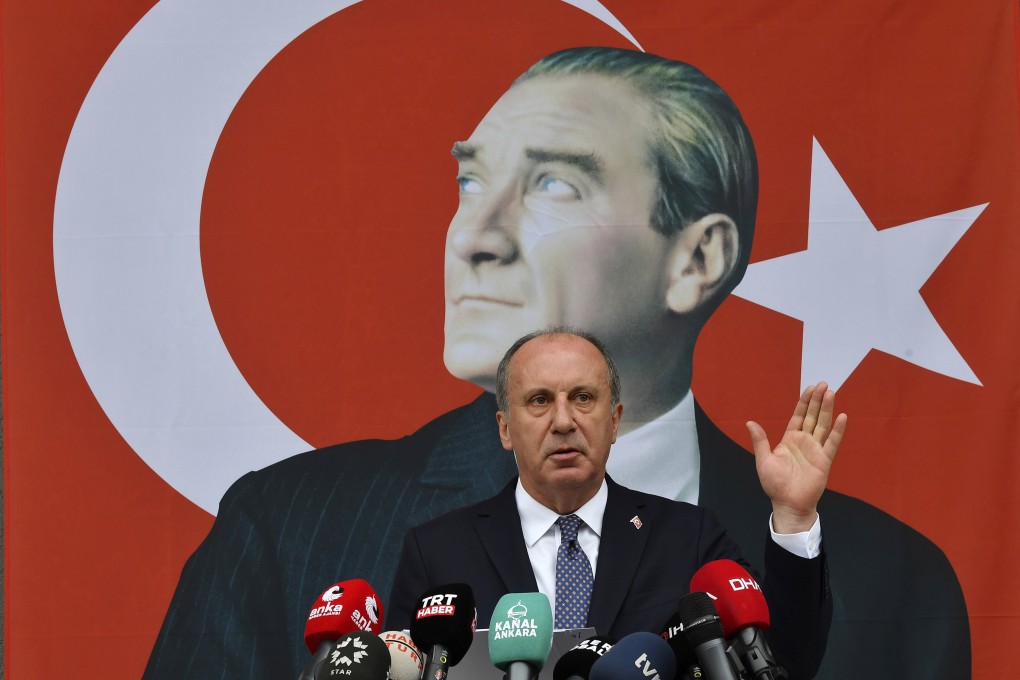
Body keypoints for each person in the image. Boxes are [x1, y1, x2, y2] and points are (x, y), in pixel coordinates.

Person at [144, 47, 970, 679]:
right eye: (471, 185)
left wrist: (790, 529)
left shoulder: (891, 581)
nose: (474, 236)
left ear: (695, 260)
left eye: (553, 187)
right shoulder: (286, 531)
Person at [387, 329, 836, 679]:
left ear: (615, 420)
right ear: (505, 428)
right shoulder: (437, 552)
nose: (564, 421)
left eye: (583, 397)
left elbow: (784, 662)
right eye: (540, 401)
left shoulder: (688, 538)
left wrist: (795, 517)